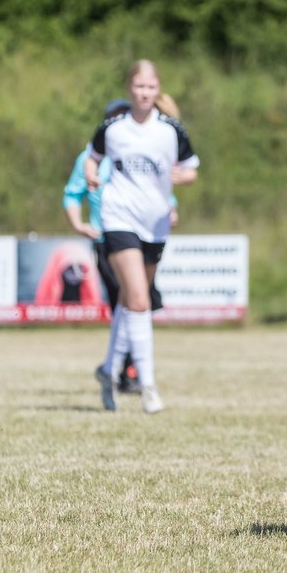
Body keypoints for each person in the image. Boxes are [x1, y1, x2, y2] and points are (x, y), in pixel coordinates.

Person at [87, 60, 200, 414]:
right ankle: (148, 385)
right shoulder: (113, 128)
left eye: (151, 87)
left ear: (158, 89)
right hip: (118, 218)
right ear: (129, 88)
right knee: (139, 299)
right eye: (138, 87)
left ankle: (108, 369)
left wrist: (180, 177)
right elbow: (92, 158)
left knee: (130, 301)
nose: (145, 93)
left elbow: (192, 168)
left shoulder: (170, 130)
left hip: (155, 223)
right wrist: (92, 177)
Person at [63, 98, 174, 394]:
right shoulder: (90, 158)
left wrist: (171, 209)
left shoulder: (145, 149)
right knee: (129, 301)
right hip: (108, 237)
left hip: (145, 234)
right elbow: (72, 193)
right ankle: (131, 374)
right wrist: (78, 224)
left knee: (138, 303)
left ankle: (113, 369)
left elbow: (160, 189)